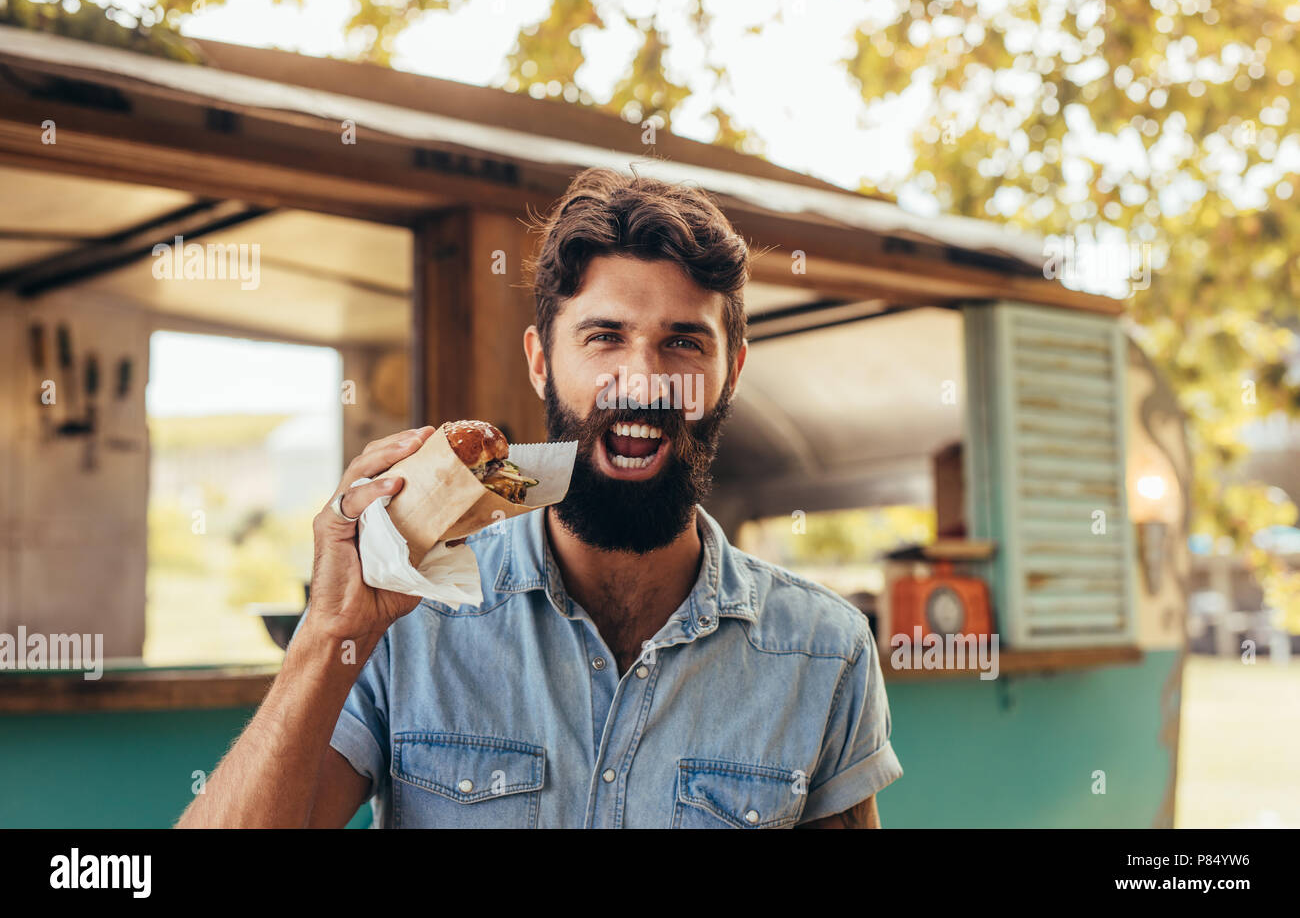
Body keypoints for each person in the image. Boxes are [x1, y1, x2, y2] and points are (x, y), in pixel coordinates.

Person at [177, 167, 902, 829]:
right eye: (604, 336)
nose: (641, 382)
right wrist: (332, 630)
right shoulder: (413, 616)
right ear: (539, 362)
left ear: (731, 372)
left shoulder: (823, 651)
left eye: (683, 342)